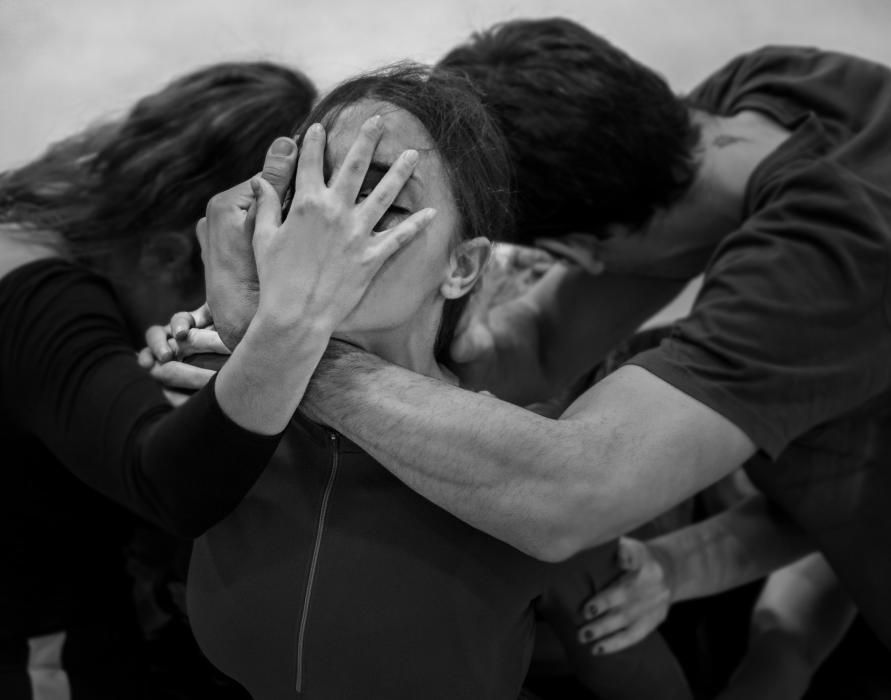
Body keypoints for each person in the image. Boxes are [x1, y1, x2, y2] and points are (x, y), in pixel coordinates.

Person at [174, 15, 891, 662]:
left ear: (570, 253)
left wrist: (279, 346)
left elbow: (569, 493)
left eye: (391, 213)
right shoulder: (764, 92)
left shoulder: (844, 243)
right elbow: (543, 344)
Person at [149, 63, 691, 700]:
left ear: (461, 268)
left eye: (381, 203)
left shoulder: (527, 465)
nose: (326, 235)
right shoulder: (215, 391)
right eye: (311, 196)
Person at [0, 61, 318, 699]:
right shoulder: (40, 295)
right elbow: (169, 481)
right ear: (171, 253)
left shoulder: (39, 216)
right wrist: (286, 339)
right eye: (234, 281)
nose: (220, 318)